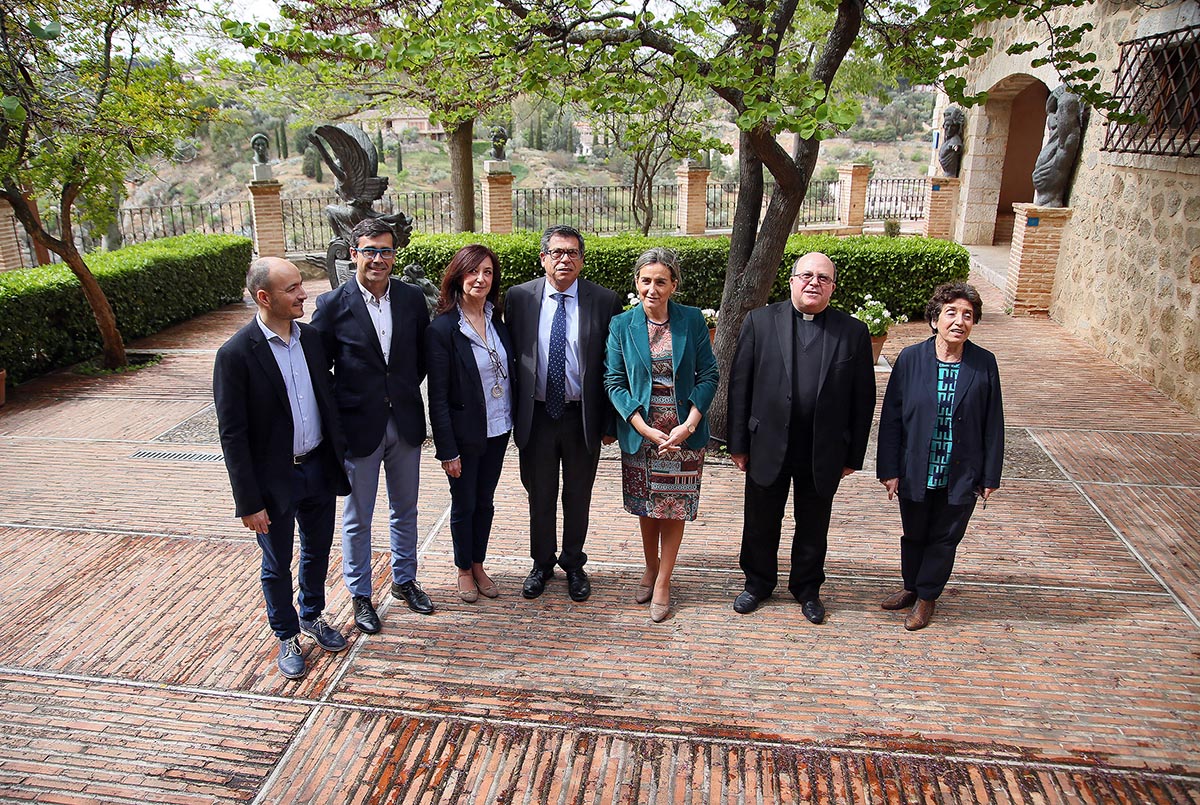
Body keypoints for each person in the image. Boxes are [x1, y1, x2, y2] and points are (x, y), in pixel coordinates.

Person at [213, 257, 351, 680]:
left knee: (317, 550)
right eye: (292, 288)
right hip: (273, 481)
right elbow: (232, 436)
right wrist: (248, 502)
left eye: (299, 286)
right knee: (276, 563)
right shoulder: (235, 355)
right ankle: (286, 633)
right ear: (264, 297)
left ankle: (312, 615)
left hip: (317, 469)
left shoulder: (312, 340)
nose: (303, 294)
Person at [726, 252, 875, 623]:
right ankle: (757, 584)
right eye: (806, 275)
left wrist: (853, 456)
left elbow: (863, 398)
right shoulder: (759, 322)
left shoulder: (852, 332)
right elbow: (739, 386)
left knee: (813, 524)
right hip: (768, 442)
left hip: (822, 449)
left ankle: (807, 589)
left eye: (823, 278)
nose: (814, 283)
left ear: (833, 288)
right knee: (760, 520)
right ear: (791, 280)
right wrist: (738, 444)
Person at [310, 217, 433, 635]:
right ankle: (360, 594)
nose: (378, 259)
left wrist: (396, 391)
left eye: (385, 251)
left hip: (404, 420)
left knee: (406, 508)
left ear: (394, 255)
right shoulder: (332, 305)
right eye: (369, 251)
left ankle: (404, 581)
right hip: (357, 427)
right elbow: (318, 369)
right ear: (353, 254)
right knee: (358, 516)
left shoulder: (412, 299)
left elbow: (418, 359)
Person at [503, 225, 623, 602]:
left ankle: (573, 563)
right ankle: (541, 563)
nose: (564, 259)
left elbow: (612, 365)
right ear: (543, 259)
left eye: (572, 253)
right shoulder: (519, 297)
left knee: (577, 495)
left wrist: (609, 423)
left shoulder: (604, 301)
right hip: (536, 416)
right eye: (557, 252)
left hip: (580, 418)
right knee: (539, 495)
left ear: (582, 260)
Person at [876, 282, 1004, 630]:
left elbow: (994, 423)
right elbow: (891, 418)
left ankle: (927, 597)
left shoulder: (983, 364)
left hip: (961, 471)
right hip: (917, 466)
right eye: (951, 313)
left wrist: (990, 475)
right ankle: (911, 586)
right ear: (935, 319)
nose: (959, 321)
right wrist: (889, 469)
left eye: (968, 315)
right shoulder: (910, 359)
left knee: (944, 538)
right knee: (913, 533)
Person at [604, 248, 719, 622]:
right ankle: (650, 568)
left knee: (674, 508)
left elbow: (708, 375)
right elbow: (614, 381)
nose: (652, 288)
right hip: (643, 432)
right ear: (636, 283)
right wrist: (640, 425)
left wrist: (689, 425)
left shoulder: (692, 321)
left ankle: (665, 580)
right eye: (646, 280)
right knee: (647, 505)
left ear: (673, 285)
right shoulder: (622, 325)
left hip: (683, 435)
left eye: (660, 281)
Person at [426, 245, 517, 602]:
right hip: (463, 436)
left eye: (488, 272)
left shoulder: (497, 320)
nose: (480, 279)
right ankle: (464, 568)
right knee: (464, 503)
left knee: (486, 501)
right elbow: (438, 397)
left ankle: (479, 562)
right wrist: (447, 449)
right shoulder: (443, 329)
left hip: (498, 428)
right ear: (458, 276)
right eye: (472, 272)